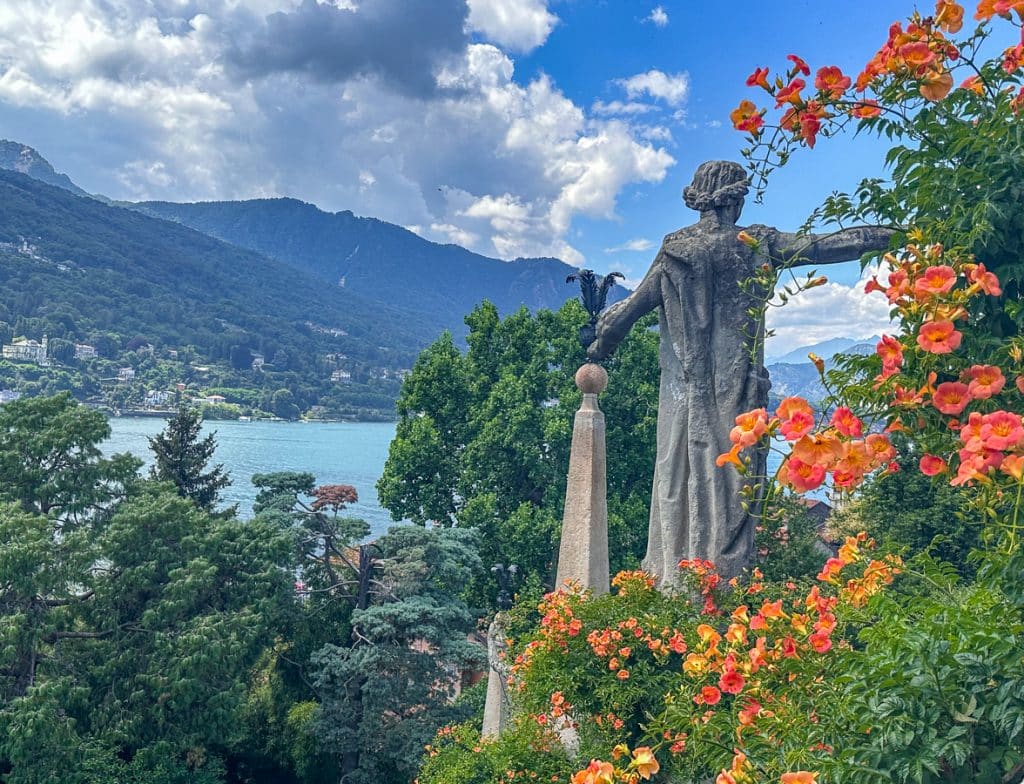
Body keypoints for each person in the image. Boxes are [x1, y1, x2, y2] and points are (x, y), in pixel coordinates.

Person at [588, 160, 893, 585]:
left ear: (699, 199)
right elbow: (825, 245)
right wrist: (888, 236)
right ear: (736, 199)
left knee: (678, 477)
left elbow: (625, 314)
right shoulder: (754, 242)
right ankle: (718, 583)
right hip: (736, 398)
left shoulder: (674, 249)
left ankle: (677, 578)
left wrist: (599, 346)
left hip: (683, 400)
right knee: (733, 482)